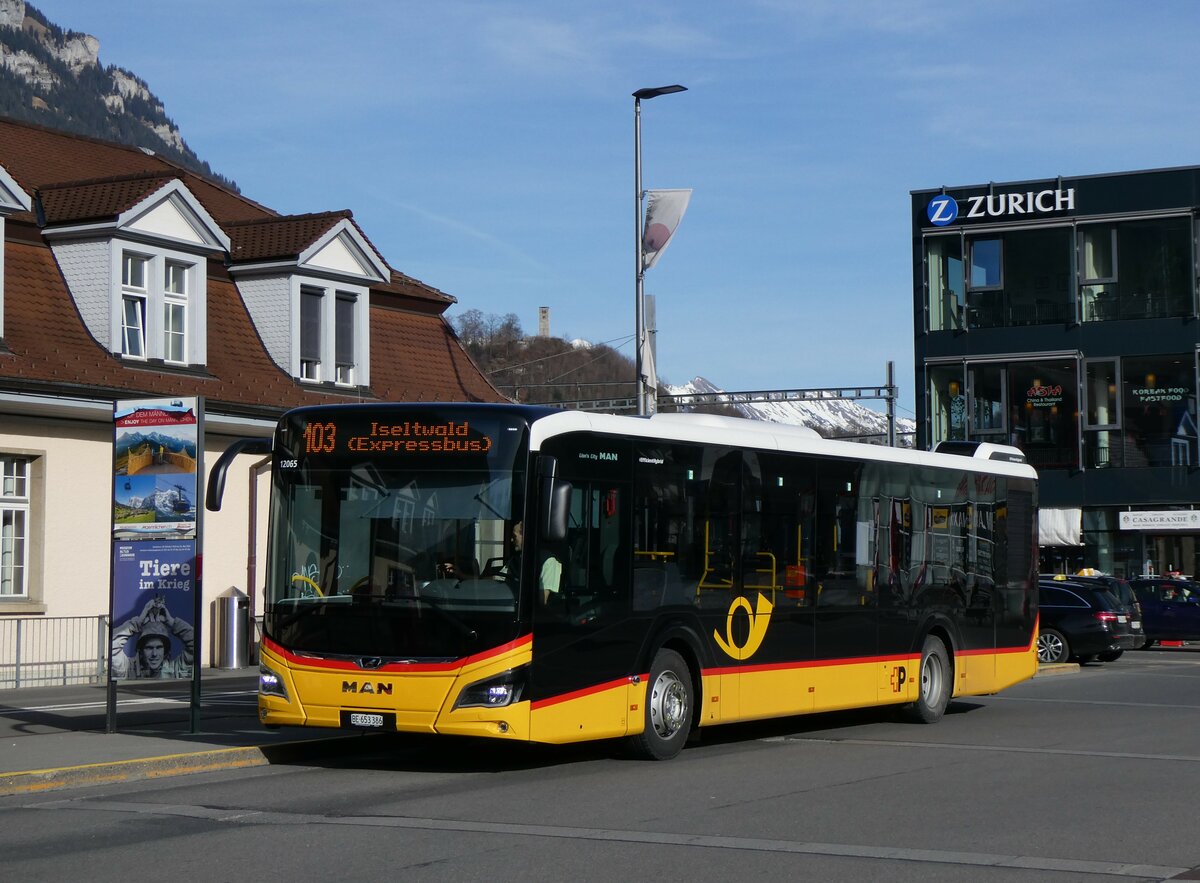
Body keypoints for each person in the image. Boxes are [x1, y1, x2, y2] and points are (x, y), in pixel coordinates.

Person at [110, 596, 195, 679]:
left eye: (159, 647)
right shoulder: (128, 669)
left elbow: (196, 642)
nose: (154, 654)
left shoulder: (175, 669)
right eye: (149, 648)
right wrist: (137, 623)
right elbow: (112, 646)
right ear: (141, 650)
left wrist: (172, 623)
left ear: (165, 650)